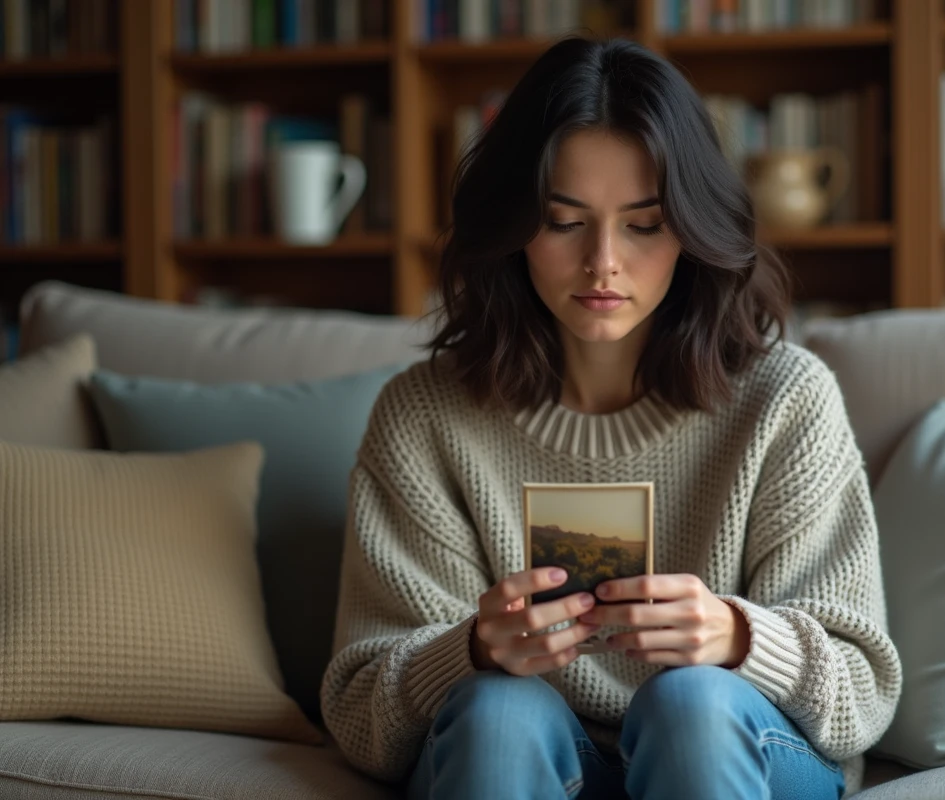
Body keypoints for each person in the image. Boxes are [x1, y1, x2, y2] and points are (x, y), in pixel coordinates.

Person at [321, 36, 901, 800]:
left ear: (693, 230)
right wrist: (467, 652)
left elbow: (865, 694)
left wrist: (737, 639)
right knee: (499, 715)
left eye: (644, 224)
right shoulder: (425, 417)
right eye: (564, 223)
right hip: (531, 760)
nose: (603, 262)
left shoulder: (785, 400)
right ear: (515, 227)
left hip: (732, 751)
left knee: (690, 703)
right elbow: (360, 717)